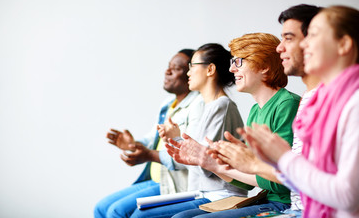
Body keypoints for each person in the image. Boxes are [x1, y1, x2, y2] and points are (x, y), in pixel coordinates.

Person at [243, 5, 359, 218]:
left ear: (343, 44)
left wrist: (279, 158)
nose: (304, 44)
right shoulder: (323, 101)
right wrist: (270, 160)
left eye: (312, 35)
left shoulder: (353, 102)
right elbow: (306, 175)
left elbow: (347, 196)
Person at [169, 33, 301, 218]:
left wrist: (217, 165)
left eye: (238, 62)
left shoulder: (287, 104)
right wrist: (213, 163)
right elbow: (248, 182)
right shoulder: (256, 110)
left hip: (284, 204)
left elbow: (282, 179)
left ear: (264, 66)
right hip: (265, 199)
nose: (231, 69)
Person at [129, 43, 246, 218]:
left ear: (210, 69)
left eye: (192, 66)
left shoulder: (222, 106)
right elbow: (197, 159)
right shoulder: (210, 106)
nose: (188, 73)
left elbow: (205, 165)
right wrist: (173, 139)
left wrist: (177, 139)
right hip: (202, 193)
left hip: (218, 196)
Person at [94, 49, 204, 218]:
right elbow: (152, 139)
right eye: (168, 66)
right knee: (101, 208)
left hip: (176, 184)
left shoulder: (199, 105)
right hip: (157, 179)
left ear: (191, 73)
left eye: (176, 68)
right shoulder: (168, 104)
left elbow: (191, 156)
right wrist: (133, 145)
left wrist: (149, 155)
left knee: (116, 212)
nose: (167, 71)